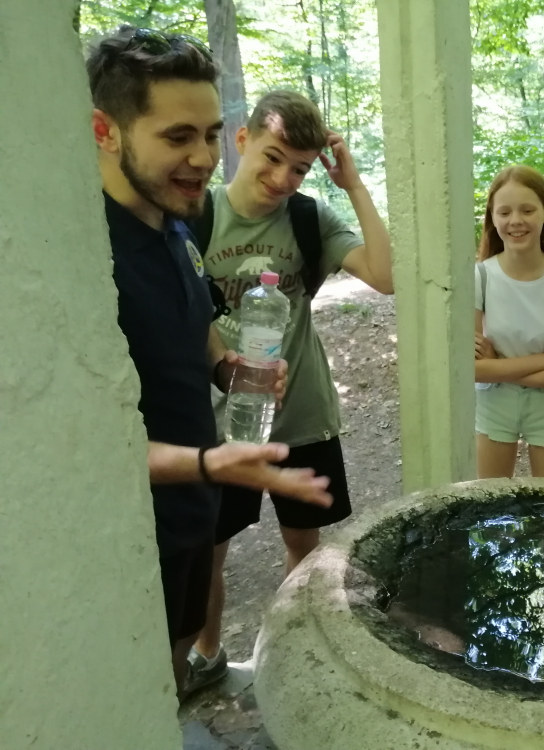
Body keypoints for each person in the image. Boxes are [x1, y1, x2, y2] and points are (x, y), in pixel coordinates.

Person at [87, 26, 333, 697]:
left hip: (190, 513)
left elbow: (196, 327)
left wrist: (230, 369)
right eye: (177, 136)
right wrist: (208, 463)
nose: (202, 157)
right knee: (139, 690)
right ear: (105, 131)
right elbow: (78, 444)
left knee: (175, 663)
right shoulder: (89, 254)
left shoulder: (174, 225)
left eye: (209, 133)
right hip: (133, 532)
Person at [185, 90, 394, 696]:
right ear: (242, 140)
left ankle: (289, 657)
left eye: (299, 168)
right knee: (212, 549)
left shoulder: (308, 218)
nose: (282, 179)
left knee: (303, 545)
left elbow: (385, 277)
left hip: (302, 415)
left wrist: (352, 184)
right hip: (221, 421)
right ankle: (207, 653)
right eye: (272, 158)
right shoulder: (197, 217)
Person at [474, 166, 544, 479]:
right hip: (493, 403)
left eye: (527, 210)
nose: (515, 221)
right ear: (493, 217)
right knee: (490, 502)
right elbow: (473, 369)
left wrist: (498, 366)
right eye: (504, 212)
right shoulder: (480, 276)